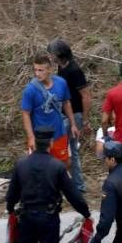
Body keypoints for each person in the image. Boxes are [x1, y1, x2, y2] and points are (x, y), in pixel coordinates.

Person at [5, 126, 92, 243]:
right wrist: (86, 212)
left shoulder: (21, 164)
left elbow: (12, 193)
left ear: (34, 142)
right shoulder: (57, 166)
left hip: (27, 216)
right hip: (49, 218)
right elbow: (72, 194)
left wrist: (10, 209)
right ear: (51, 143)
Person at [47, 38, 92, 193]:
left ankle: (73, 186)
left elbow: (86, 95)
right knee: (69, 149)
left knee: (65, 148)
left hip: (74, 116)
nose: (50, 57)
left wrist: (85, 120)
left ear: (59, 54)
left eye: (51, 54)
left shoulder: (74, 70)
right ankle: (77, 185)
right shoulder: (62, 68)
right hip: (65, 115)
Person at [21, 52, 80, 168]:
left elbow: (66, 103)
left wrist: (73, 124)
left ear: (49, 70)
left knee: (65, 164)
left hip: (59, 134)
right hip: (40, 139)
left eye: (41, 70)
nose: (37, 74)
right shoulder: (30, 90)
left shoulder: (61, 83)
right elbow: (25, 114)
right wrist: (31, 137)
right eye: (35, 70)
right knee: (38, 168)